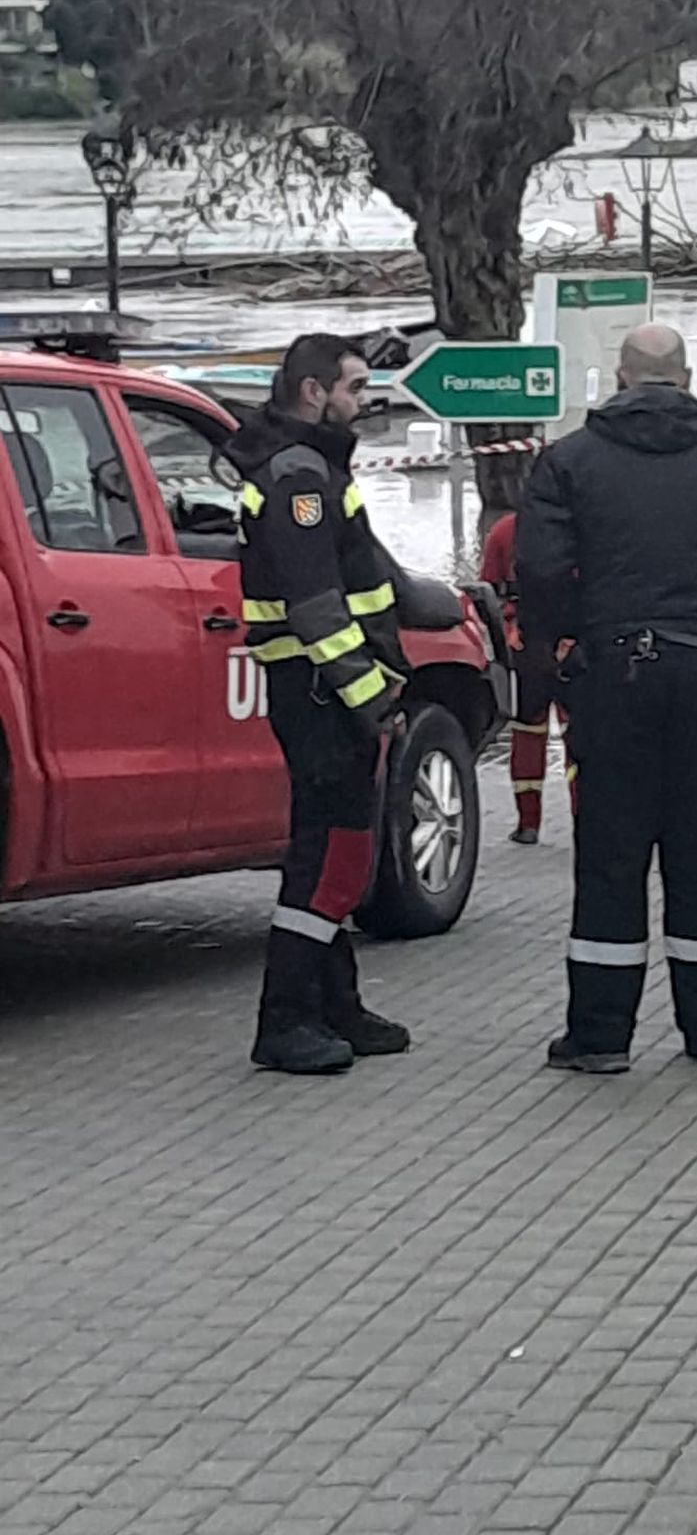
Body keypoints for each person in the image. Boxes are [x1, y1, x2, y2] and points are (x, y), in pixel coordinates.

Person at [517, 323, 697, 1075]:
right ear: (687, 375)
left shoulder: (569, 461)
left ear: (619, 378)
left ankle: (602, 1034)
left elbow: (540, 570)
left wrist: (577, 640)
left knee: (611, 858)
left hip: (615, 678)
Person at [231, 334, 412, 1075]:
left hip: (323, 689)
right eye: (355, 385)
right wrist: (371, 698)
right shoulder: (298, 478)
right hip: (321, 692)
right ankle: (286, 1020)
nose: (364, 399)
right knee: (328, 857)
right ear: (314, 392)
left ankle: (336, 1003)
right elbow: (315, 604)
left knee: (335, 850)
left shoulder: (310, 466)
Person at [480, 505, 573, 845]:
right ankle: (585, 819)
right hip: (571, 645)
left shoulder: (505, 530)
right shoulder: (585, 525)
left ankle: (528, 823)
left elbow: (485, 591)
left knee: (527, 734)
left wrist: (501, 636)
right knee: (578, 738)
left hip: (522, 645)